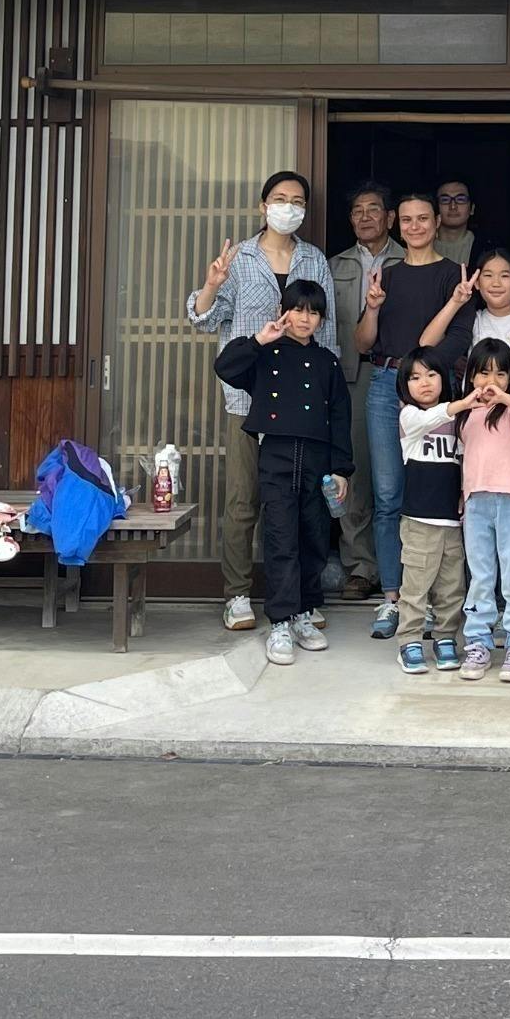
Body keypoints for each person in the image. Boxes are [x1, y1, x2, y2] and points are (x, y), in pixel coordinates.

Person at [186, 170, 334, 633]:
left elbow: (327, 331)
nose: (288, 207)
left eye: (297, 201)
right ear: (263, 206)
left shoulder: (313, 259)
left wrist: (325, 394)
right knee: (243, 499)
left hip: (300, 405)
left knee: (298, 503)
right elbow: (202, 320)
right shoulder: (241, 259)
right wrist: (213, 283)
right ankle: (236, 593)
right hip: (248, 400)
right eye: (279, 198)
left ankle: (297, 599)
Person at [210, 277, 350, 666]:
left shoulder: (327, 362)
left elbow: (341, 417)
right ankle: (280, 622)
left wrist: (342, 468)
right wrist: (259, 339)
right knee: (280, 538)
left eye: (314, 313)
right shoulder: (265, 354)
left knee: (314, 537)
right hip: (276, 455)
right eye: (298, 310)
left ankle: (305, 612)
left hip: (317, 461)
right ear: (283, 312)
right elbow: (225, 366)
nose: (305, 319)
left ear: (321, 319)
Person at [355, 191, 467, 636]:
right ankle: (393, 598)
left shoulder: (453, 275)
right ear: (396, 225)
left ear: (437, 222)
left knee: (438, 495)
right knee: (388, 496)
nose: (415, 226)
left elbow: (457, 339)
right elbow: (363, 343)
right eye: (407, 220)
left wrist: (423, 380)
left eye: (423, 218)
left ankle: (436, 602)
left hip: (436, 391)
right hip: (386, 386)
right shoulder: (387, 275)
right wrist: (373, 307)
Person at [451, 337, 510, 682]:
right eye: (483, 373)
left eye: (500, 374)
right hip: (476, 502)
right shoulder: (465, 414)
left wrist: (507, 398)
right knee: (480, 575)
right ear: (471, 376)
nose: (491, 381)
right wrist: (462, 495)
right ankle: (478, 641)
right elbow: (463, 458)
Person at [328, 183, 398, 592]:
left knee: (397, 472)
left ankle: (401, 565)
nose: (366, 217)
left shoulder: (409, 259)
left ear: (390, 217)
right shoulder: (333, 264)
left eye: (374, 209)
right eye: (358, 210)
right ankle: (360, 565)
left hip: (398, 374)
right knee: (353, 468)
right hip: (350, 376)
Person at [391, 345, 469, 677]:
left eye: (432, 374)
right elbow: (430, 418)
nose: (424, 383)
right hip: (419, 519)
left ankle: (446, 637)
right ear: (404, 385)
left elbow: (465, 461)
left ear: (444, 378)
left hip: (451, 521)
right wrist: (462, 403)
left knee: (452, 586)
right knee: (415, 586)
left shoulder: (458, 420)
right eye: (415, 377)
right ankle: (409, 640)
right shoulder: (409, 416)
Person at [434, 246, 510, 406]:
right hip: (476, 411)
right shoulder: (473, 320)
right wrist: (455, 302)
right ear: (477, 283)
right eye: (488, 275)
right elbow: (429, 342)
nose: (496, 283)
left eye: (504, 276)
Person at [432, 179, 478, 270]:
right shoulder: (421, 244)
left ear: (472, 209)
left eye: (460, 199)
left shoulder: (486, 247)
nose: (453, 206)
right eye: (445, 200)